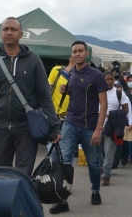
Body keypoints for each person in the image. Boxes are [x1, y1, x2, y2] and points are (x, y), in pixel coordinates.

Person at [0, 17, 61, 176]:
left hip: (26, 128)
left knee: (23, 174)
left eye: (13, 29)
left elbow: (44, 96)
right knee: (0, 173)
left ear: (21, 34)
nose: (9, 32)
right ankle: (3, 202)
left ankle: (19, 201)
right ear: (0, 34)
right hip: (0, 127)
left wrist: (55, 126)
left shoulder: (34, 60)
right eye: (5, 29)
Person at [49, 41, 108, 214]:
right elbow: (78, 93)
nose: (77, 54)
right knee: (63, 161)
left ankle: (95, 190)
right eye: (74, 51)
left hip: (90, 125)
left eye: (80, 51)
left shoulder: (96, 75)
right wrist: (65, 90)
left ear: (87, 53)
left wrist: (98, 129)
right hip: (70, 123)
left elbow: (103, 104)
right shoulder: (71, 73)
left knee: (94, 163)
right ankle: (62, 199)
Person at [100, 72, 128, 186]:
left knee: (109, 152)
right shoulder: (96, 92)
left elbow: (126, 110)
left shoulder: (119, 93)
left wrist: (113, 114)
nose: (109, 81)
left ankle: (106, 175)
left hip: (111, 127)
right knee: (96, 152)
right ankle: (102, 168)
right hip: (96, 125)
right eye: (107, 79)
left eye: (111, 79)